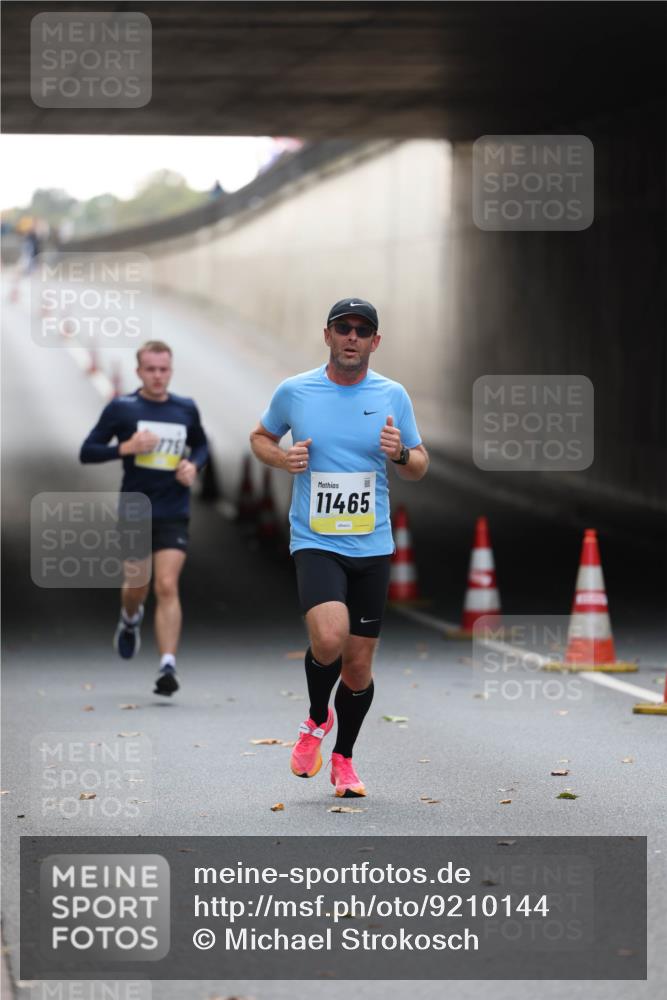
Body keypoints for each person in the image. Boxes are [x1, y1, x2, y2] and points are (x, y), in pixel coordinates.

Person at [250, 298, 429, 797]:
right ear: (327, 335)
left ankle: (344, 759)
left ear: (375, 341)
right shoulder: (296, 391)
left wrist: (400, 452)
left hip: (371, 544)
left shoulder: (392, 395)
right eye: (343, 328)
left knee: (358, 666)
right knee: (329, 637)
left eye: (362, 330)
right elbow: (259, 437)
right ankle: (314, 721)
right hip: (316, 539)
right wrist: (282, 458)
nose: (352, 336)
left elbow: (418, 463)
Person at [80, 340, 209, 696]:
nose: (157, 375)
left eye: (163, 369)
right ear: (139, 372)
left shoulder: (185, 408)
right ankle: (130, 618)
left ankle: (168, 664)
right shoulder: (122, 409)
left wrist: (192, 465)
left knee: (166, 584)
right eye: (150, 369)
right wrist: (126, 448)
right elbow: (87, 451)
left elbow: (201, 444)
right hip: (135, 508)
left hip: (174, 509)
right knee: (137, 585)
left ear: (170, 370)